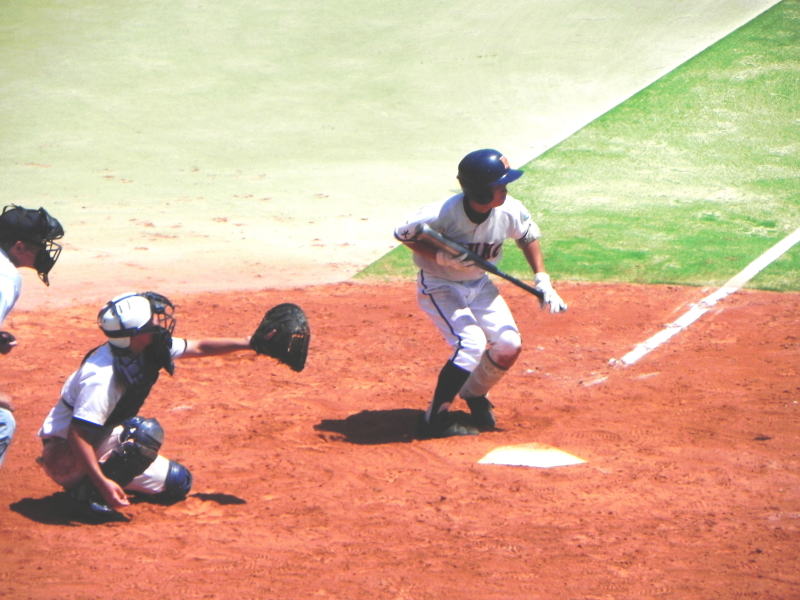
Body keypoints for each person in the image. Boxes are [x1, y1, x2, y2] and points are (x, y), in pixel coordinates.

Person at [37, 291, 255, 522]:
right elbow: (78, 435)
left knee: (179, 481)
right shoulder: (103, 376)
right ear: (137, 333)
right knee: (143, 434)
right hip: (64, 455)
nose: (159, 322)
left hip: (98, 438)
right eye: (152, 319)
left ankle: (98, 481)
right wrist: (103, 483)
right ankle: (88, 498)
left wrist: (250, 342)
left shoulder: (142, 348)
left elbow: (199, 347)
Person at [394, 148, 567, 438]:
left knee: (509, 344)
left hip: (479, 284)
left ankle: (474, 393)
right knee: (471, 343)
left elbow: (527, 236)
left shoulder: (509, 209)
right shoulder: (441, 213)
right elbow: (403, 234)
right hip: (440, 285)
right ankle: (434, 420)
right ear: (481, 191)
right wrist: (440, 257)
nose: (506, 189)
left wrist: (542, 279)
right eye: (500, 184)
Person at [0, 204, 64, 467]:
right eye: (39, 245)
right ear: (19, 247)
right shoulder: (5, 277)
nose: (44, 251)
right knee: (3, 422)